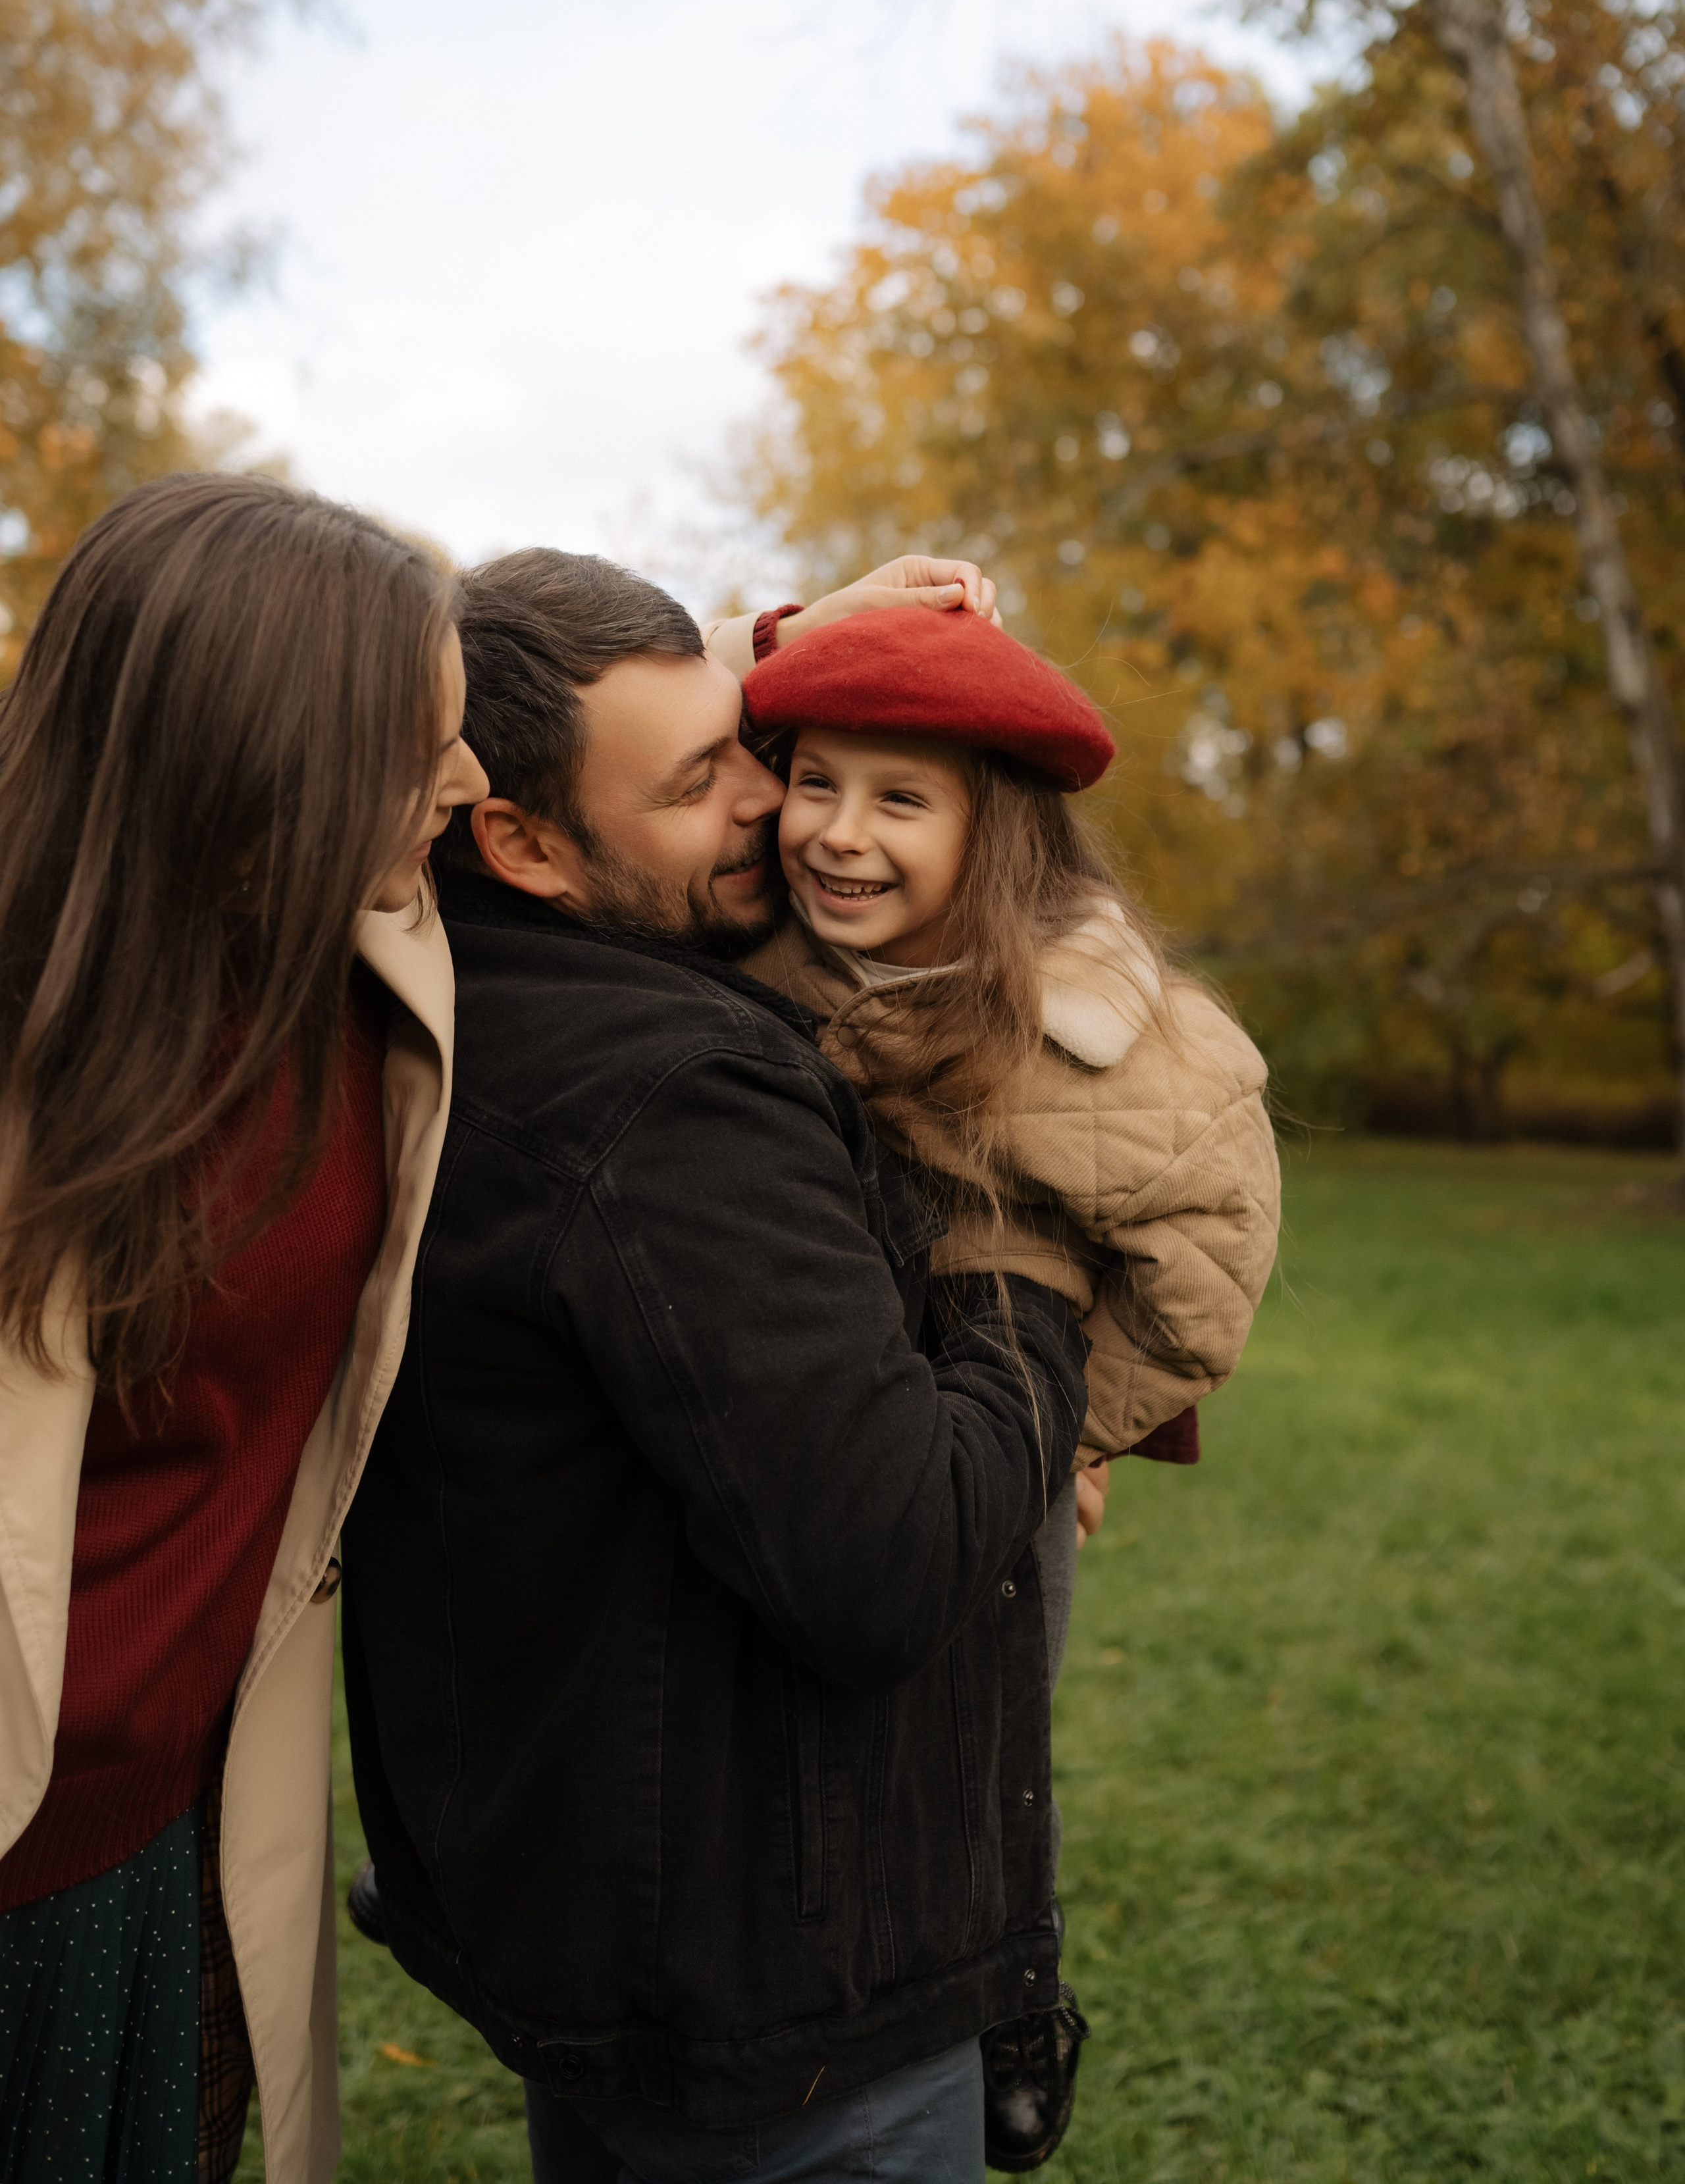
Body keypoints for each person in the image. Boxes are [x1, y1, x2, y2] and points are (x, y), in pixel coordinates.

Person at [340, 547, 1089, 2184]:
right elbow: (884, 1560)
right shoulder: (669, 1093)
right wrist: (1032, 1279)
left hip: (602, 1918)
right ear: (521, 840)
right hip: (783, 1997)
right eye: (705, 779)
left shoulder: (453, 997)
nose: (775, 802)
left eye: (750, 737)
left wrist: (798, 637)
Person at [738, 605, 1282, 2168]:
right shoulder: (759, 947)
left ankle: (996, 1999)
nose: (836, 836)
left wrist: (1044, 1432)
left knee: (967, 1755)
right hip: (821, 1410)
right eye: (815, 782)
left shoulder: (1105, 1036)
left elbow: (1203, 1275)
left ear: (994, 833)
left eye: (898, 800)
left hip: (984, 1452)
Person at [0, 475, 488, 2184]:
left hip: (183, 1818)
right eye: (418, 741)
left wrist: (823, 647)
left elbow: (647, 785)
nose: (473, 780)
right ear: (253, 759)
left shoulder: (366, 956)